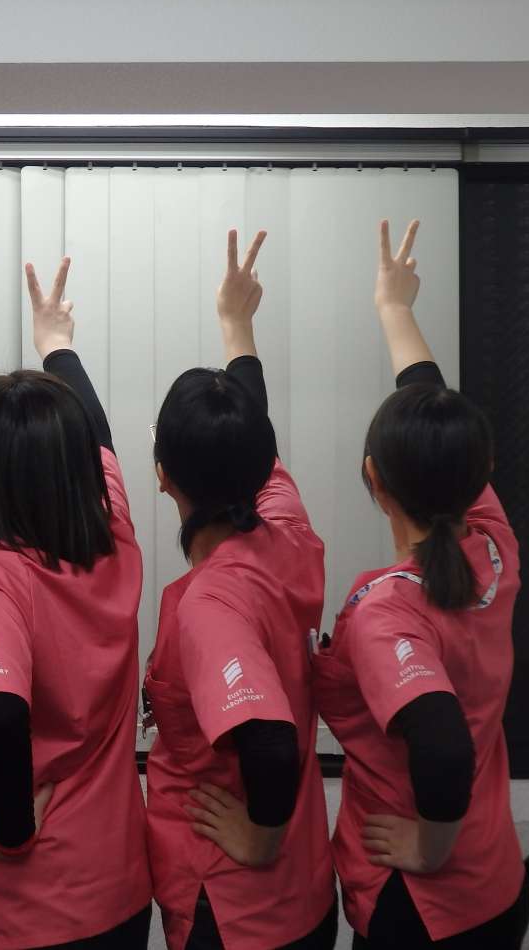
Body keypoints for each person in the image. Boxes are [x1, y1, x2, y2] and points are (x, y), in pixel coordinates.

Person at [313, 220, 529, 948]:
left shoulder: (389, 611)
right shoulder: (494, 546)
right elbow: (435, 407)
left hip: (426, 911)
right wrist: (395, 309)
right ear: (482, 471)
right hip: (499, 886)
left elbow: (442, 747)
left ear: (372, 480)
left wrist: (430, 848)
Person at [0, 257, 153, 949]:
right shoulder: (114, 538)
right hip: (118, 890)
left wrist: (13, 831)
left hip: (30, 908)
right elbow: (98, 435)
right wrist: (57, 344)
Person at [143, 231, 337, 950]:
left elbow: (270, 743)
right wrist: (236, 325)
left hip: (237, 913)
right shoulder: (285, 527)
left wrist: (258, 838)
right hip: (306, 895)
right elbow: (258, 432)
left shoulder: (212, 604)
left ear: (163, 475)